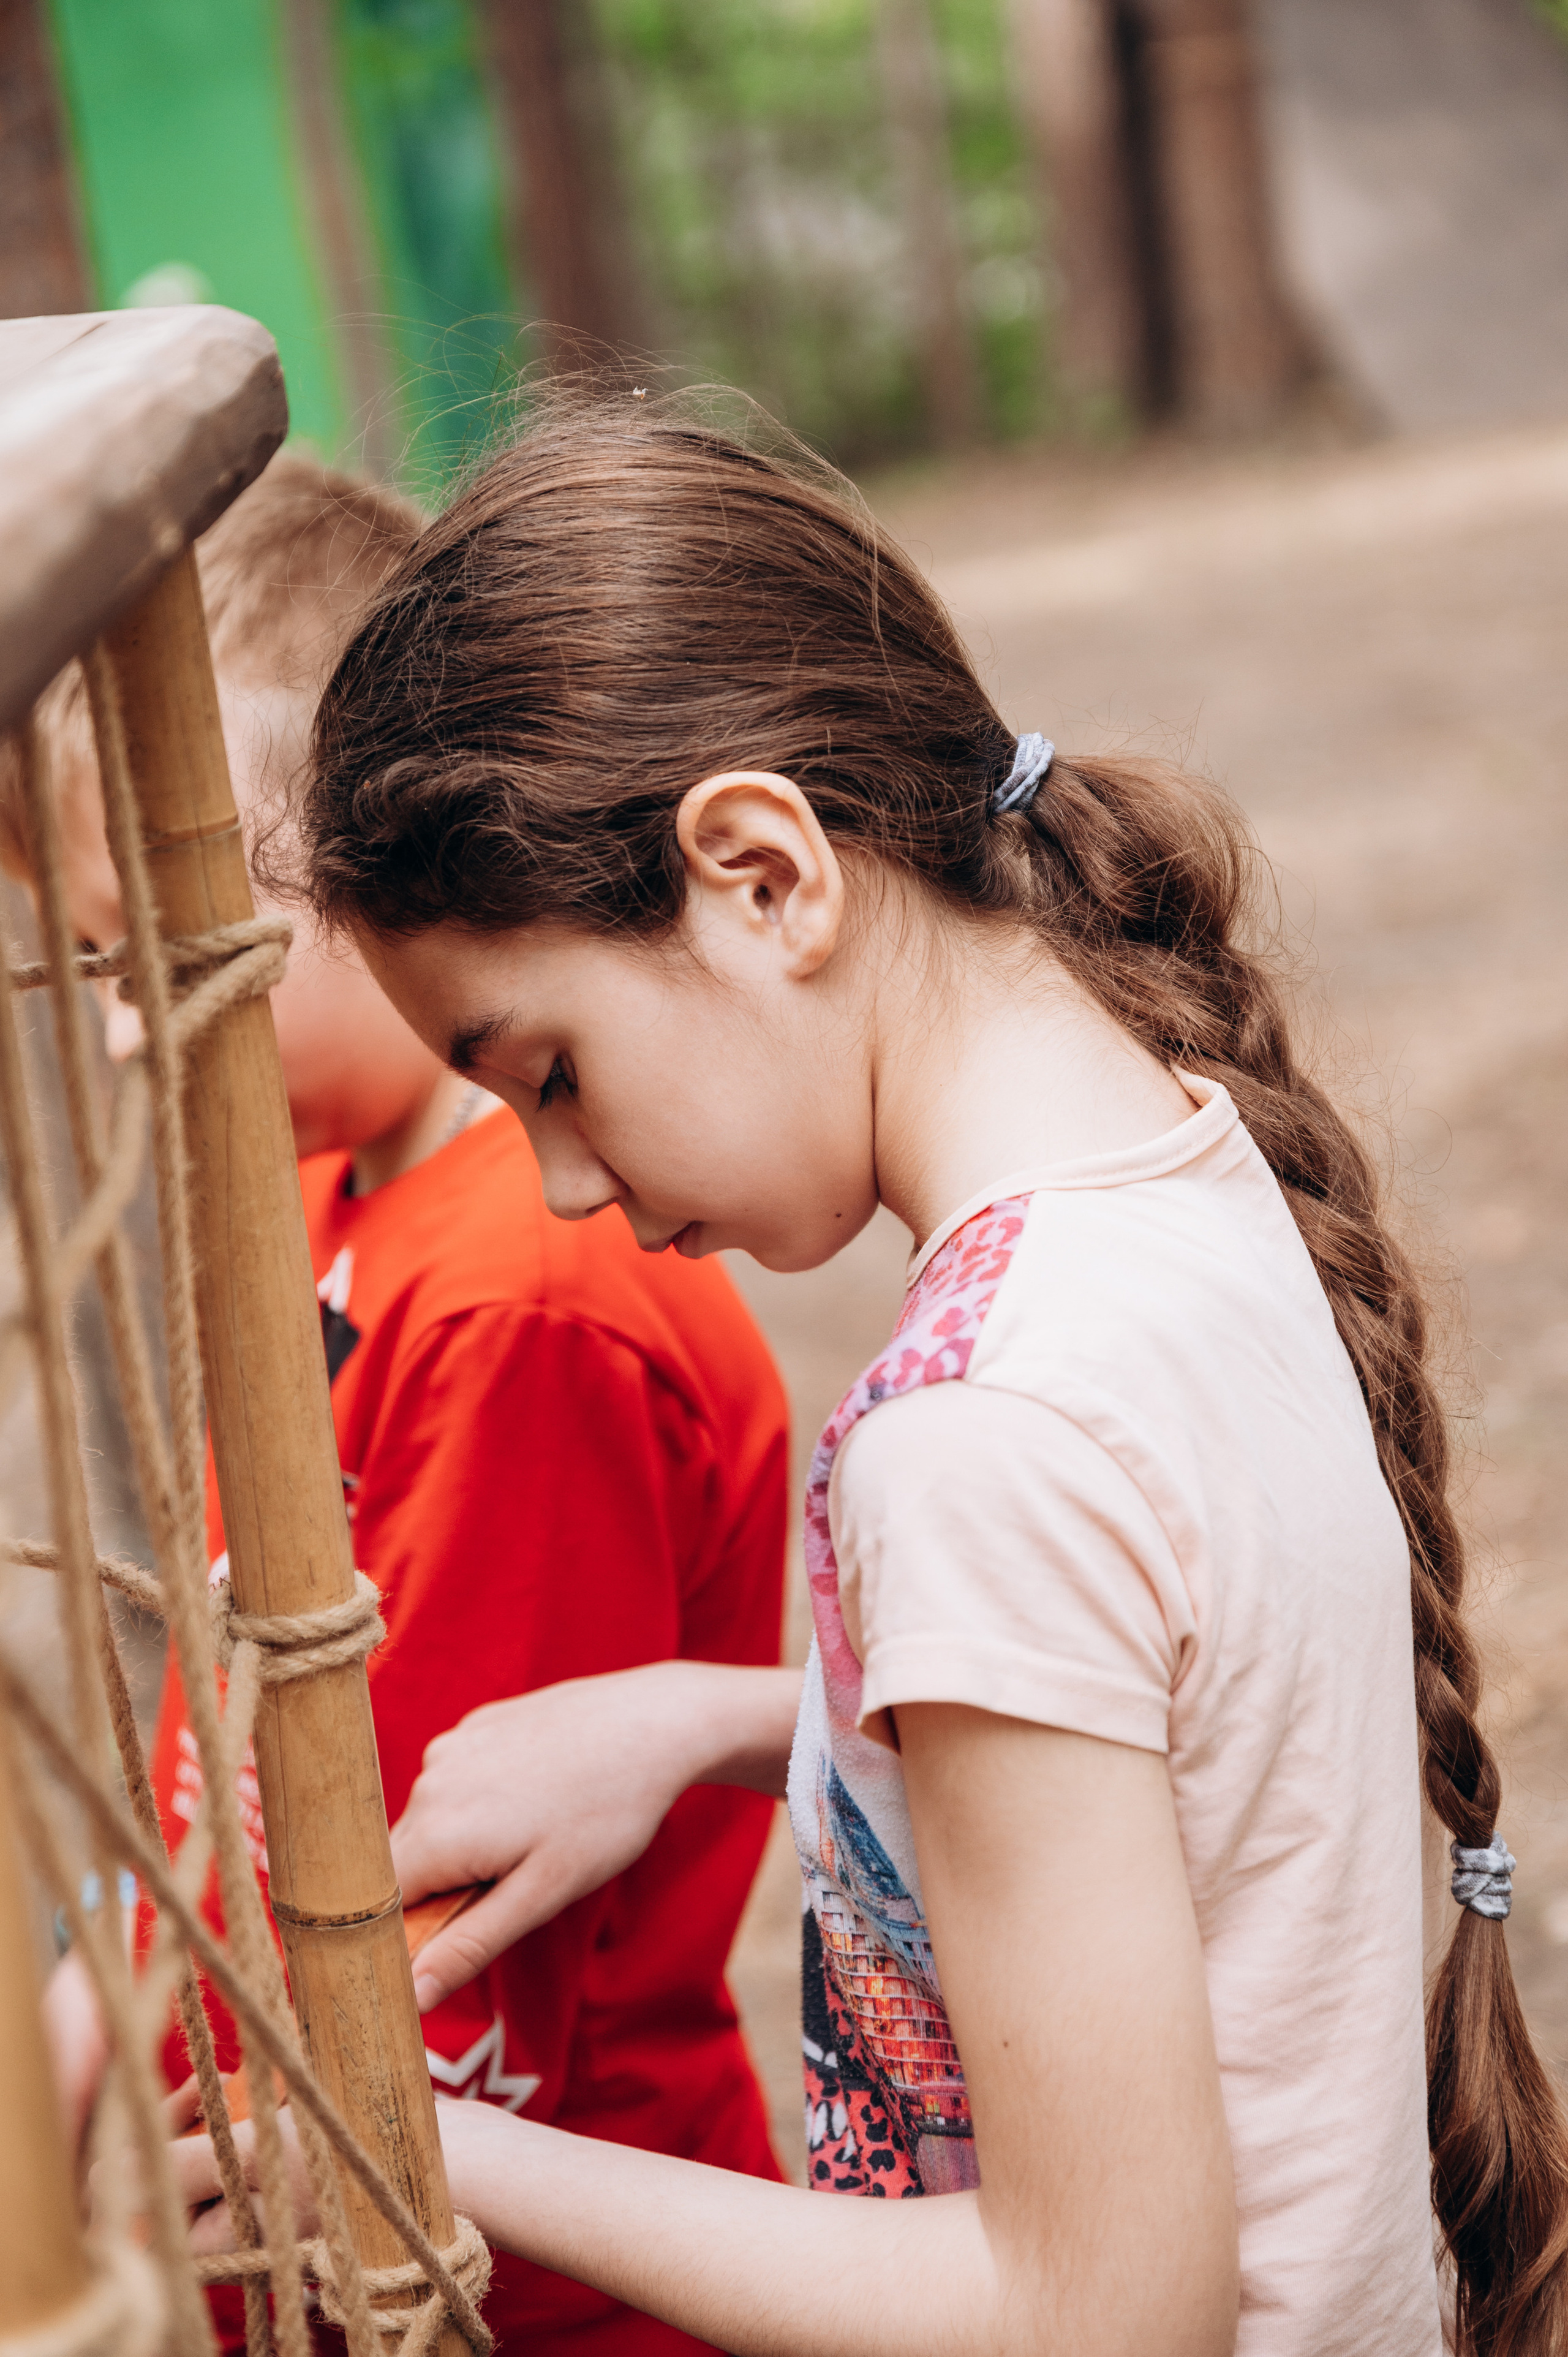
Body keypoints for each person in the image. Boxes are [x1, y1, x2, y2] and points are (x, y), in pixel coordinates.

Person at [171, 393, 1568, 2357]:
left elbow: (1096, 2307)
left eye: (550, 1073)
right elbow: (1180, 1713)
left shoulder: (977, 1438)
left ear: (761, 871)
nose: (564, 1183)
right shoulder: (1172, 1162)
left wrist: (431, 2153)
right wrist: (726, 1719)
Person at [9, 450, 791, 2356]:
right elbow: (230, 1718)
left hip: (507, 2288)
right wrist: (102, 2009)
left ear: (340, 867)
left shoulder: (522, 1306)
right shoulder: (324, 1197)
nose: (124, 1028)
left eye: (151, 957)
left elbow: (442, 1919)